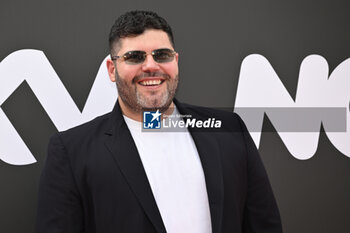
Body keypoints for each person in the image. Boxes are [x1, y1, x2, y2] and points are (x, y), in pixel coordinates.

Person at [36, 10, 283, 233]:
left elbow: (264, 224)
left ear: (176, 61)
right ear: (112, 69)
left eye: (162, 55)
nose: (151, 66)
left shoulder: (228, 129)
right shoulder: (72, 151)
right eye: (135, 57)